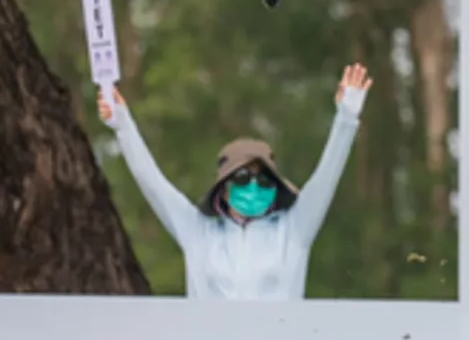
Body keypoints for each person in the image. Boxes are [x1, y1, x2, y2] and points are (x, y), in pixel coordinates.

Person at [96, 63, 373, 299]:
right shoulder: (197, 233)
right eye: (242, 177)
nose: (253, 186)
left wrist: (346, 116)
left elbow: (328, 174)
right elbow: (152, 183)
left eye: (263, 180)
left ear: (275, 187)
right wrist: (123, 124)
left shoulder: (296, 229)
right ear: (224, 188)